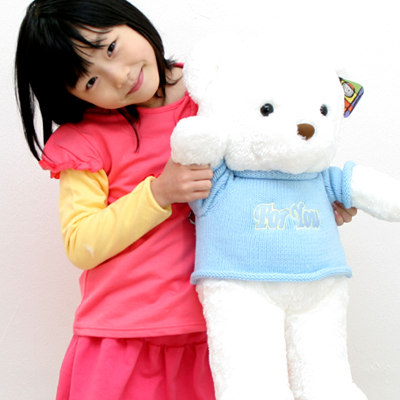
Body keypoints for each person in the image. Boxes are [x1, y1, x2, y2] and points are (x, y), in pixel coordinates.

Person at [14, 1, 357, 399]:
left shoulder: (221, 94)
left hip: (226, 336)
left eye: (110, 48)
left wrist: (314, 203)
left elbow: (274, 161)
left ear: (128, 20)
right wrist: (158, 193)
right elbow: (81, 241)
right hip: (122, 340)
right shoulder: (86, 140)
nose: (119, 76)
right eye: (90, 81)